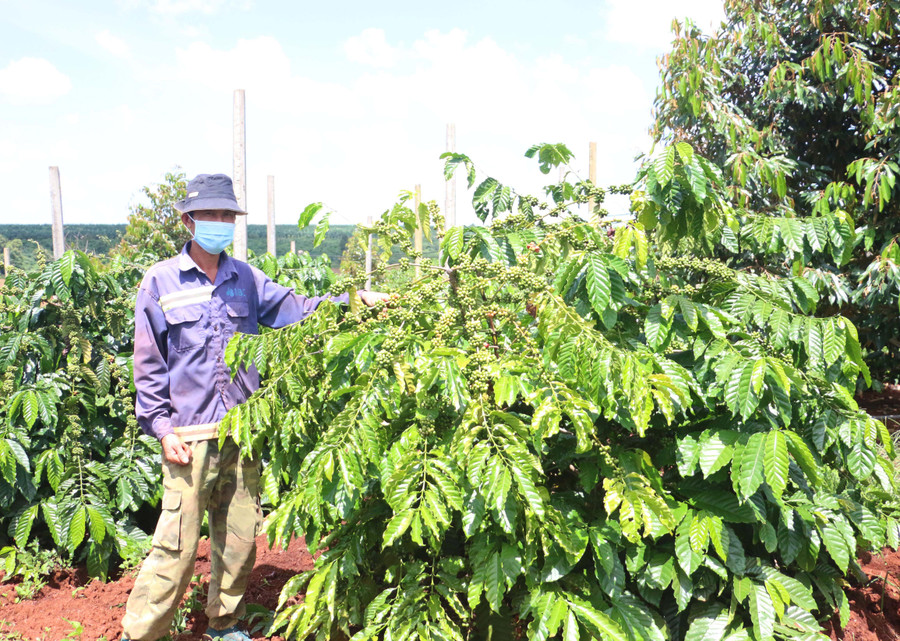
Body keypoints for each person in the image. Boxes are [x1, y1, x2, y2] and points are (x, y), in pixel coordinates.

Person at [121, 173, 386, 641]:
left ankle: (225, 624)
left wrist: (355, 302)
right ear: (188, 220)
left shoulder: (244, 278)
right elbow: (148, 362)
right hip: (190, 434)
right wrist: (163, 429)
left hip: (243, 428)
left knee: (240, 538)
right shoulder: (160, 281)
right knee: (176, 545)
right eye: (211, 215)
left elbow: (297, 307)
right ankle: (142, 633)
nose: (220, 223)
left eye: (228, 216)